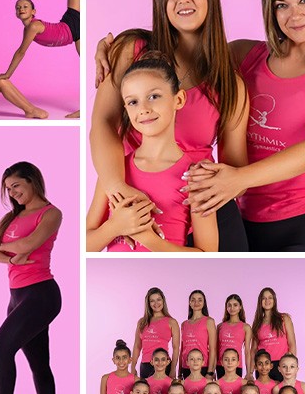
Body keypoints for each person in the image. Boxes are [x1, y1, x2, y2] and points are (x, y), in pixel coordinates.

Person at [90, 0, 249, 251]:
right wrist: (117, 189)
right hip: (138, 200)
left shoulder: (229, 83)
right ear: (160, 2)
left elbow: (235, 168)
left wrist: (202, 181)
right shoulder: (131, 49)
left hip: (204, 205)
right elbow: (102, 124)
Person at [182, 0, 305, 251]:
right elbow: (180, 64)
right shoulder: (244, 55)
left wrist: (238, 179)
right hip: (239, 219)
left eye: (304, 0)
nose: (295, 14)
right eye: (281, 5)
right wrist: (125, 47)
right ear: (270, 11)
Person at [86, 53, 218, 251]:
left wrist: (148, 238)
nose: (144, 109)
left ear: (179, 99)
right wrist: (114, 227)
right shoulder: (115, 170)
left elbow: (207, 254)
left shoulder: (196, 177)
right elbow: (85, 246)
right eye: (133, 102)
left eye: (154, 96)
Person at [0, 161, 62, 394]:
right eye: (8, 189)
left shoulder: (51, 213)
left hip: (41, 294)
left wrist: (9, 248)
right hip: (17, 296)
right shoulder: (9, 218)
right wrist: (10, 257)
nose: (13, 193)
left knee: (1, 347)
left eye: (16, 186)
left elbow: (29, 244)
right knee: (39, 362)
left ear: (32, 181)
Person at [130, 288, 179, 377]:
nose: (156, 303)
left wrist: (173, 369)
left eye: (158, 299)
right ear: (148, 303)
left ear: (163, 300)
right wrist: (133, 366)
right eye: (152, 301)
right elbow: (137, 346)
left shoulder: (172, 322)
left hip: (164, 365)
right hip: (146, 365)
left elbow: (176, 348)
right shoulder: (142, 322)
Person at [250, 287, 296, 381]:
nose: (267, 301)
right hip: (263, 366)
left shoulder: (284, 318)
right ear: (260, 302)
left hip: (281, 365)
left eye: (270, 298)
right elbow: (253, 350)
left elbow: (292, 344)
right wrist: (250, 372)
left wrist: (292, 367)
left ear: (274, 300)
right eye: (264, 298)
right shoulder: (257, 323)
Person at [216, 293, 252, 378]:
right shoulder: (220, 326)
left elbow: (247, 351)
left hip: (236, 365)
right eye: (229, 305)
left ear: (240, 307)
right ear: (226, 307)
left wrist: (249, 372)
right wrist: (211, 370)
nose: (232, 308)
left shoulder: (246, 327)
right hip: (221, 365)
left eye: (235, 305)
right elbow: (216, 349)